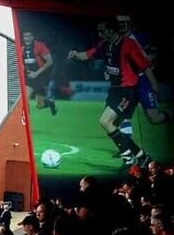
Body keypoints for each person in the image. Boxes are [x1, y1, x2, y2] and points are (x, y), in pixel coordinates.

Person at [67, 19, 158, 166]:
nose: (99, 33)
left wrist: (154, 86)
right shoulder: (105, 45)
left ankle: (127, 156)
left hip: (127, 91)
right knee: (113, 127)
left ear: (111, 30)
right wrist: (75, 54)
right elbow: (89, 54)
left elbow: (145, 65)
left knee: (105, 121)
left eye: (102, 30)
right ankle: (142, 157)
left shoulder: (128, 44)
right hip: (114, 91)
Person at [22, 30, 58, 116]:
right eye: (25, 36)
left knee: (40, 105)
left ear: (33, 37)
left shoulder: (40, 46)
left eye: (29, 36)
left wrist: (36, 73)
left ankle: (50, 102)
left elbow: (50, 61)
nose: (27, 38)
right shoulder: (22, 48)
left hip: (41, 77)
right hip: (29, 77)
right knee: (25, 99)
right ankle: (24, 122)